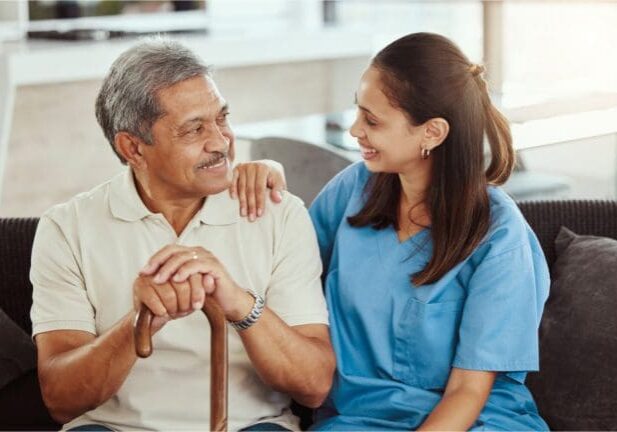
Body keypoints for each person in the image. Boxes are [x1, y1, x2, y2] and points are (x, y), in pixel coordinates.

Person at [234, 32, 550, 431]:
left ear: (431, 133)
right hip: (359, 422)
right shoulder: (350, 193)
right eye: (357, 112)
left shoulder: (498, 234)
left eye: (372, 121)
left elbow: (468, 392)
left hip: (472, 420)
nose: (354, 130)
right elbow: (284, 269)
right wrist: (273, 178)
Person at [30, 37, 335, 431]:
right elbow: (60, 400)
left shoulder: (279, 214)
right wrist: (139, 322)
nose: (221, 141)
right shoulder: (66, 228)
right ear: (133, 149)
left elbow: (314, 386)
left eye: (222, 118)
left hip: (250, 426)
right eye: (194, 130)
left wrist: (240, 304)